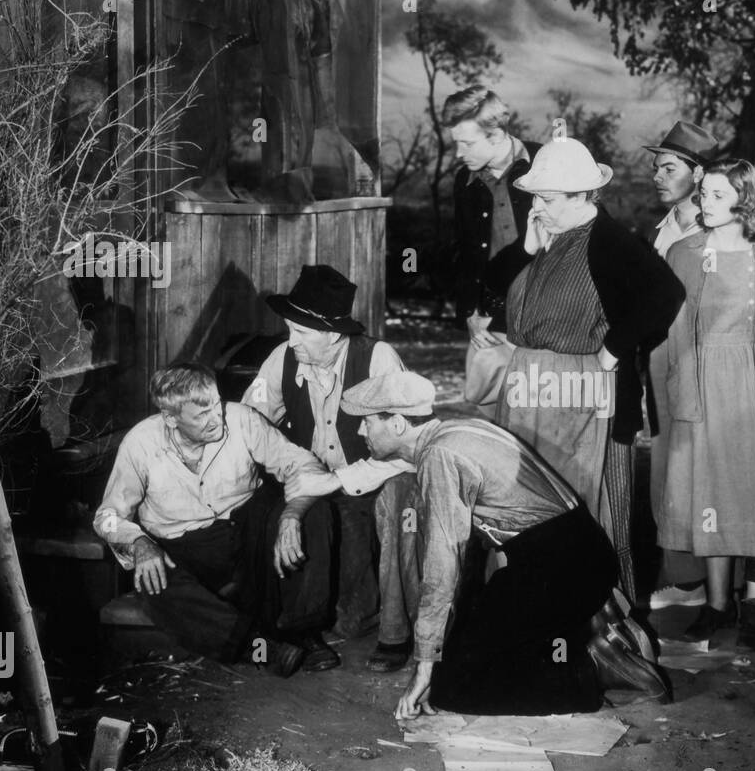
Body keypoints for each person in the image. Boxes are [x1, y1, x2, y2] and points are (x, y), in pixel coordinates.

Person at [317, 370, 672, 717]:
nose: (361, 430)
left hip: (560, 567)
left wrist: (424, 665)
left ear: (396, 424)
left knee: (455, 689)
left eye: (367, 422)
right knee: (468, 656)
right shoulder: (455, 430)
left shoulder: (439, 457)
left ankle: (593, 667)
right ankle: (585, 625)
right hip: (574, 556)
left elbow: (443, 566)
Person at [492, 136, 685, 600]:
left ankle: (607, 642)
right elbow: (492, 287)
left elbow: (665, 294)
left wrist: (614, 349)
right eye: (534, 196)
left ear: (582, 196)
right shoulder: (545, 235)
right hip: (532, 400)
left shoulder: (610, 241)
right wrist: (526, 247)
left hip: (591, 409)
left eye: (547, 198)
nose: (536, 206)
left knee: (599, 521)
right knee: (533, 519)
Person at [93, 362, 338, 676]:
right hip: (185, 546)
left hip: (246, 528)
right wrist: (139, 542)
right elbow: (107, 517)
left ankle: (303, 630)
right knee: (154, 584)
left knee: (314, 511)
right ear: (170, 418)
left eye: (217, 405)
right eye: (202, 414)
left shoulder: (242, 419)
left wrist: (291, 515)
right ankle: (257, 648)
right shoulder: (140, 444)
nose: (217, 418)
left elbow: (304, 465)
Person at [241, 265, 420, 673]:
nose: (292, 341)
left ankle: (393, 626)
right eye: (290, 329)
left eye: (302, 332)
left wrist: (339, 480)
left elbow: (405, 446)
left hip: (372, 477)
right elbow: (250, 421)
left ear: (334, 334)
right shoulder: (284, 356)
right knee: (272, 514)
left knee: (353, 616)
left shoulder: (378, 358)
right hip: (314, 481)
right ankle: (294, 626)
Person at [656, 160, 755, 644]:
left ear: (744, 199)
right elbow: (671, 333)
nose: (706, 203)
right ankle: (718, 608)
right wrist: (679, 391)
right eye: (703, 195)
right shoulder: (684, 252)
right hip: (704, 382)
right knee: (713, 494)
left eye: (718, 195)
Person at [643, 120, 719, 613]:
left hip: (695, 364)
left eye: (669, 167)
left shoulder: (712, 235)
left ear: (699, 174)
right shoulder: (665, 227)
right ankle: (680, 579)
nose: (657, 175)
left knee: (695, 472)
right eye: (656, 167)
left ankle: (697, 588)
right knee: (666, 469)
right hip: (659, 360)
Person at [443, 85, 541, 346]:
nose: (458, 154)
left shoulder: (546, 161)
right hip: (489, 325)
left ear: (496, 135)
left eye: (467, 143)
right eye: (456, 143)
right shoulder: (464, 179)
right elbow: (464, 250)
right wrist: (470, 313)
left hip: (550, 318)